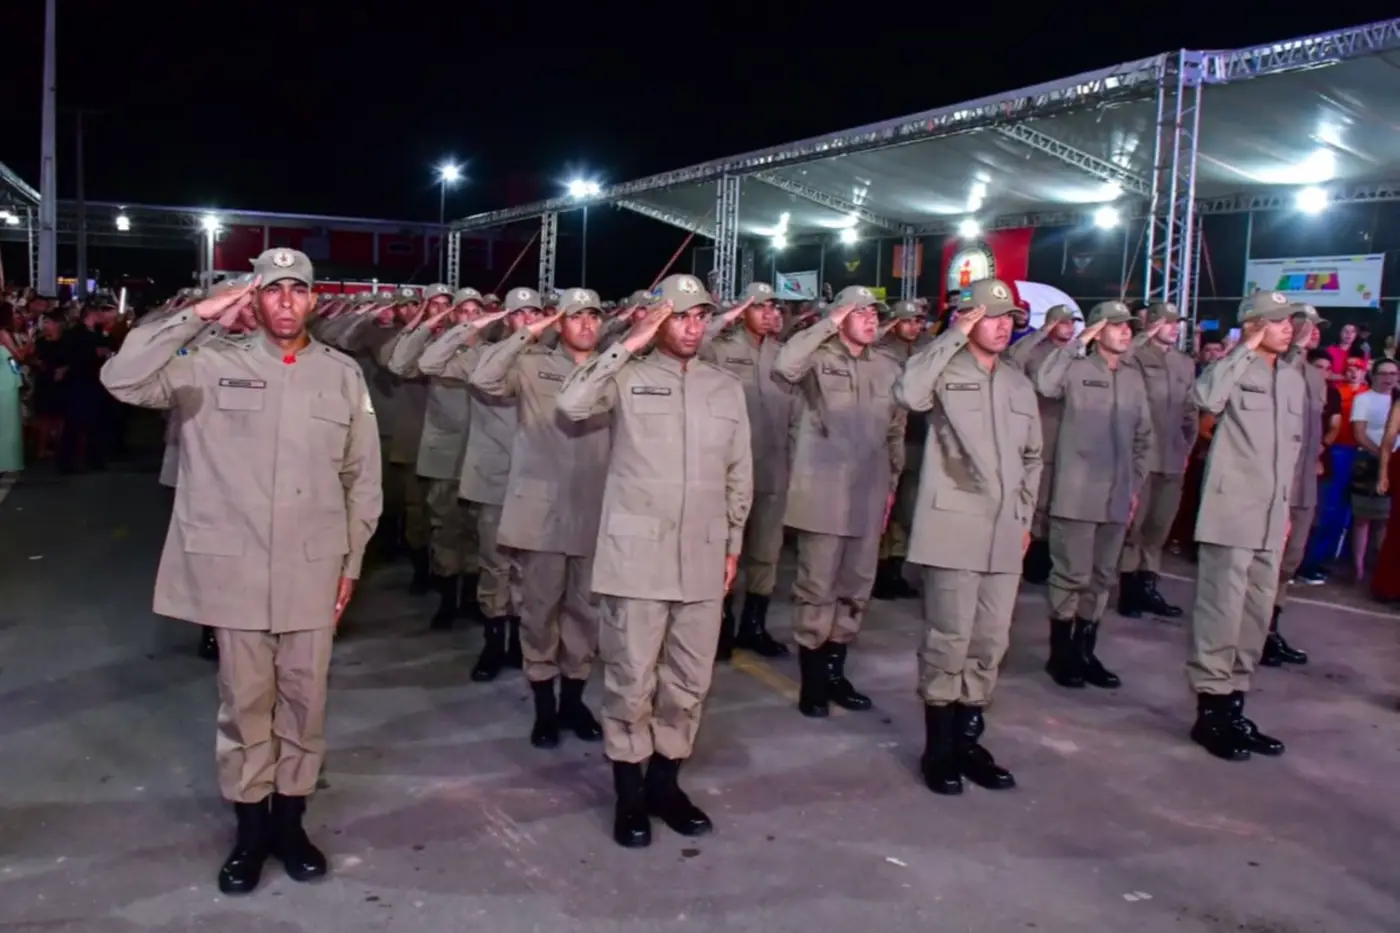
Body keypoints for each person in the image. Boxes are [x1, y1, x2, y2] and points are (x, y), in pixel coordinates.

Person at [99, 249, 382, 894]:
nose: (285, 301)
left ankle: (291, 824)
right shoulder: (208, 362)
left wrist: (352, 562)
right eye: (272, 290)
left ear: (313, 300)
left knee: (305, 702)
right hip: (238, 568)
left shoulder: (341, 374)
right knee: (245, 703)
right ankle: (250, 832)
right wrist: (200, 313)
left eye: (297, 290)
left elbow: (362, 478)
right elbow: (123, 378)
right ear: (253, 299)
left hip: (313, 566)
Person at [555, 273, 752, 849]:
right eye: (679, 316)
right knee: (631, 679)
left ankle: (665, 785)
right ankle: (629, 794)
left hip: (702, 554)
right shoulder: (627, 375)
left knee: (689, 680)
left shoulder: (724, 386)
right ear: (656, 319)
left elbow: (739, 472)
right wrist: (630, 341)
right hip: (637, 556)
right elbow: (571, 403)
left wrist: (733, 543)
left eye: (699, 317)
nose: (692, 328)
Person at [894, 278, 1041, 793]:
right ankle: (938, 750)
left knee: (989, 641)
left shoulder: (1018, 383)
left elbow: (1033, 457)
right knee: (949, 638)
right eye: (990, 317)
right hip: (953, 525)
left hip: (1005, 532)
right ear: (969, 318)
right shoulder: (944, 370)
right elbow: (908, 393)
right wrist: (954, 335)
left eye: (1008, 319)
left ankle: (969, 741)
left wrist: (1024, 518)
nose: (1001, 327)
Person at [469, 287, 611, 748]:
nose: (586, 324)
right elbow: (484, 376)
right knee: (539, 613)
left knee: (585, 615)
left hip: (593, 511)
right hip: (541, 514)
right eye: (576, 316)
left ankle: (573, 701)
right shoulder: (531, 365)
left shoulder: (615, 369)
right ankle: (545, 707)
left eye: (594, 316)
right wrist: (526, 333)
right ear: (558, 322)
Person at [773, 286, 906, 718]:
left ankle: (835, 671)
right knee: (817, 589)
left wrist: (891, 487)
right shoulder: (816, 359)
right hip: (822, 497)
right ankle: (813, 680)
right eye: (859, 312)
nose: (870, 319)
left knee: (855, 589)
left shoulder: (888, 367)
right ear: (839, 316)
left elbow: (895, 431)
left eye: (874, 313)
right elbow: (785, 365)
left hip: (868, 495)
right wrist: (827, 323)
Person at [1185, 290, 1304, 761]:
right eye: (1277, 320)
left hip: (1271, 516)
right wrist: (1243, 349)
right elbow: (1205, 397)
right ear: (1254, 325)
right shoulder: (1234, 368)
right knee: (1222, 613)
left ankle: (1234, 708)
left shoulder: (1291, 378)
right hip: (1231, 512)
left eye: (1289, 320)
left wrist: (1287, 511)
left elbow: (1291, 451)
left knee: (1255, 616)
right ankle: (1210, 714)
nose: (1288, 327)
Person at [419, 288, 545, 678]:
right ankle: (493, 644)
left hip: (537, 482)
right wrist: (470, 326)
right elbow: (428, 361)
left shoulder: (552, 360)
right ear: (505, 318)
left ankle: (521, 645)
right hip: (494, 479)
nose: (526, 321)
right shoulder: (482, 356)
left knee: (531, 571)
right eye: (518, 314)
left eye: (534, 313)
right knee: (495, 567)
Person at [1032, 301, 1152, 691]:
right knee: (1071, 575)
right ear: (1098, 331)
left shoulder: (1133, 378)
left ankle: (1086, 651)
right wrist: (1077, 342)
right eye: (1116, 326)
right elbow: (1045, 383)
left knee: (1101, 577)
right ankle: (1061, 653)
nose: (1126, 331)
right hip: (1077, 493)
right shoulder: (1076, 369)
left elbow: (1143, 438)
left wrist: (1134, 485)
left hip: (1117, 495)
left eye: (1128, 326)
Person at [700, 281, 796, 657]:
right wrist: (725, 318)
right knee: (725, 552)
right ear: (743, 312)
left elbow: (797, 416)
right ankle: (720, 629)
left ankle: (754, 626)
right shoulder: (721, 350)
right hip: (728, 472)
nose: (770, 314)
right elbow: (695, 342)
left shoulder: (784, 356)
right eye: (759, 307)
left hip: (773, 469)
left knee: (766, 553)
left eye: (774, 307)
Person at [385, 286, 479, 624]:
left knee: (477, 532)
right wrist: (427, 323)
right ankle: (448, 598)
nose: (469, 319)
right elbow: (398, 364)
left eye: (475, 312)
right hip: (445, 456)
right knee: (444, 529)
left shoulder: (493, 352)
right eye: (462, 312)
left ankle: (472, 597)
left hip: (481, 456)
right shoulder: (434, 352)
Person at [1118, 302, 1197, 618]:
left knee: (1159, 527)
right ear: (1151, 324)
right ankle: (1128, 590)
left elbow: (1190, 411)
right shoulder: (1135, 356)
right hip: (1141, 458)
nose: (1175, 327)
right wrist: (1141, 337)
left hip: (1173, 457)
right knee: (1134, 527)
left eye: (1177, 322)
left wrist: (1186, 448)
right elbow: (1120, 363)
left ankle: (1147, 586)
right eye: (1167, 322)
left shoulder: (1184, 363)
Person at [1265, 306, 1326, 665]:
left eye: (1317, 327)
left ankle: (1271, 629)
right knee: (1267, 562)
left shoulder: (1315, 376)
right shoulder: (1276, 368)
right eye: (1308, 325)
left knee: (1290, 562)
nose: (1314, 331)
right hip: (1279, 482)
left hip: (1305, 484)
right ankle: (1254, 634)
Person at [1003, 305, 1078, 584]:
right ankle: (1033, 556)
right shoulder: (1034, 351)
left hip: (1069, 434)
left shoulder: (1077, 353)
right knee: (1039, 497)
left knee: (1060, 499)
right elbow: (1013, 358)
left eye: (1072, 322)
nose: (1069, 327)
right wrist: (1042, 332)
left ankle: (1052, 556)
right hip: (1042, 430)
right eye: (1063, 322)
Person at [872, 298, 931, 601]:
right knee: (883, 507)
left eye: (918, 321)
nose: (913, 327)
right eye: (906, 321)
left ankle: (895, 569)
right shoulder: (880, 351)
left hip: (918, 436)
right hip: (888, 437)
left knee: (907, 510)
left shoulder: (927, 350)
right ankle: (878, 571)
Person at [1347, 357, 1400, 581]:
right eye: (1384, 373)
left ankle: (1380, 567)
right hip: (1369, 460)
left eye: (1393, 373)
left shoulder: (1397, 400)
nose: (1389, 378)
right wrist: (1382, 454)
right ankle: (1358, 567)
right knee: (1363, 517)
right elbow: (1359, 433)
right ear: (1374, 376)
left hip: (1395, 463)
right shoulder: (1363, 399)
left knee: (1387, 518)